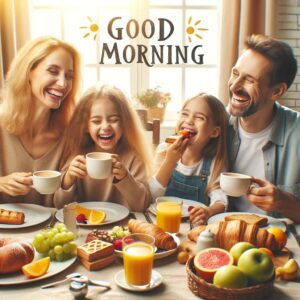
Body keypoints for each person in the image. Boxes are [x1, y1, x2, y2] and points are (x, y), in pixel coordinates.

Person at [0, 36, 82, 206]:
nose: (63, 83)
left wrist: (68, 183)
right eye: (53, 71)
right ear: (28, 71)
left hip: (51, 231)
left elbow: (64, 206)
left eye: (69, 76)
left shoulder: (69, 134)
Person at [227, 34, 300, 223]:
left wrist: (284, 203)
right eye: (235, 73)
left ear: (277, 91)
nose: (234, 86)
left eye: (250, 80)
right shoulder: (218, 126)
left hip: (279, 245)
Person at [54, 85, 153, 211]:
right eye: (96, 121)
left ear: (124, 123)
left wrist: (125, 178)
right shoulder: (77, 155)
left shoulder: (134, 158)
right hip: (84, 226)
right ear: (85, 126)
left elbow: (142, 206)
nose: (105, 126)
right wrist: (68, 179)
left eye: (114, 120)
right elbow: (58, 204)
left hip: (123, 227)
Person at [149, 93, 229, 225]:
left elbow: (221, 201)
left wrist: (208, 211)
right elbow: (152, 196)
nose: (189, 121)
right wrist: (170, 162)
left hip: (195, 227)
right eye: (185, 114)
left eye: (199, 118)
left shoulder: (214, 162)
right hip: (160, 223)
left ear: (214, 132)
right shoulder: (163, 151)